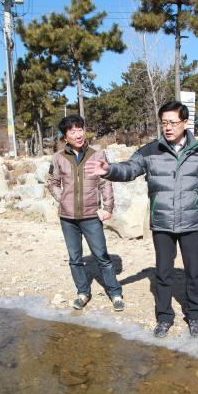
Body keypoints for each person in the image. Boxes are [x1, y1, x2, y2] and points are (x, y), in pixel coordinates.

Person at [85, 101, 198, 338]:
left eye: (172, 122)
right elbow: (129, 169)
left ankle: (195, 315)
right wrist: (109, 170)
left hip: (192, 223)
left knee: (194, 272)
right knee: (164, 273)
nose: (167, 127)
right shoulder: (150, 150)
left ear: (185, 123)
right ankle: (164, 316)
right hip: (162, 222)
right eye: (164, 122)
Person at [48, 115, 124, 311]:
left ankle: (115, 293)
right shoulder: (58, 158)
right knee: (75, 258)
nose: (78, 134)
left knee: (102, 256)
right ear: (65, 137)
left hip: (91, 216)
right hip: (68, 218)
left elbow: (105, 182)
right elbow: (53, 182)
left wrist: (108, 208)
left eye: (80, 129)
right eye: (72, 131)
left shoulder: (97, 154)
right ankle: (83, 292)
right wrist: (63, 199)